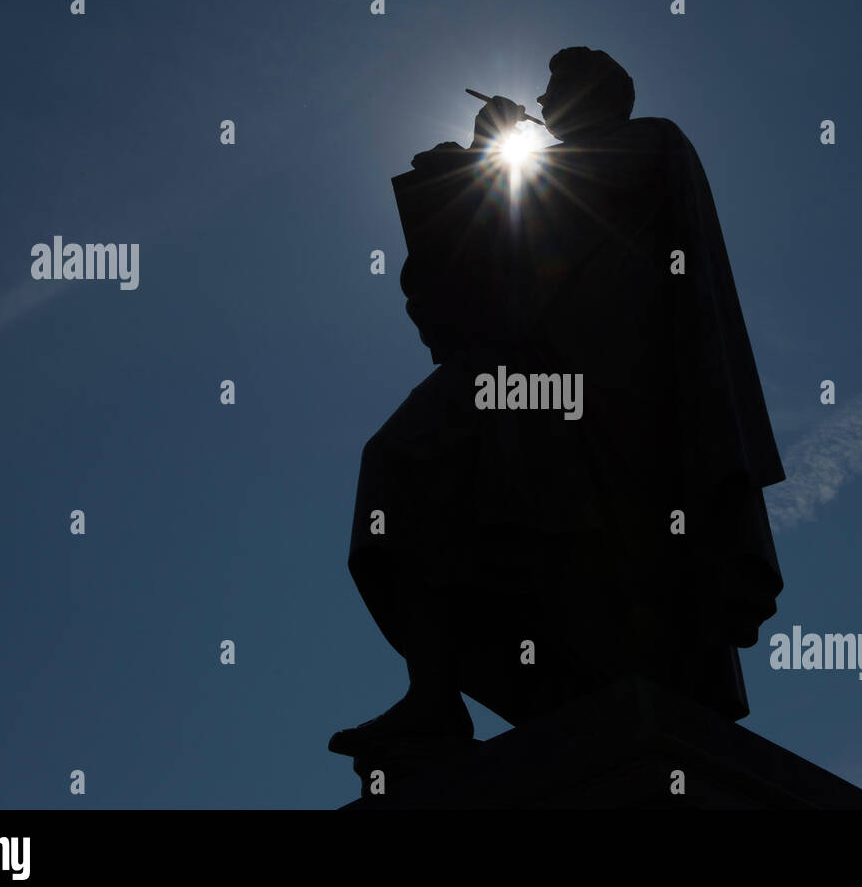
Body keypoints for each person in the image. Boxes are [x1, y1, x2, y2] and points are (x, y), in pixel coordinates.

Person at [330, 47, 786, 758]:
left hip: (603, 396)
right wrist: (463, 180)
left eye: (557, 90)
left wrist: (482, 162)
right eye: (545, 92)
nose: (544, 104)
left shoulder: (646, 144)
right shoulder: (567, 166)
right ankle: (434, 695)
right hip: (518, 380)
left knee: (555, 543)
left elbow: (548, 213)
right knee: (400, 472)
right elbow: (471, 278)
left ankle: (540, 688)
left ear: (600, 96)